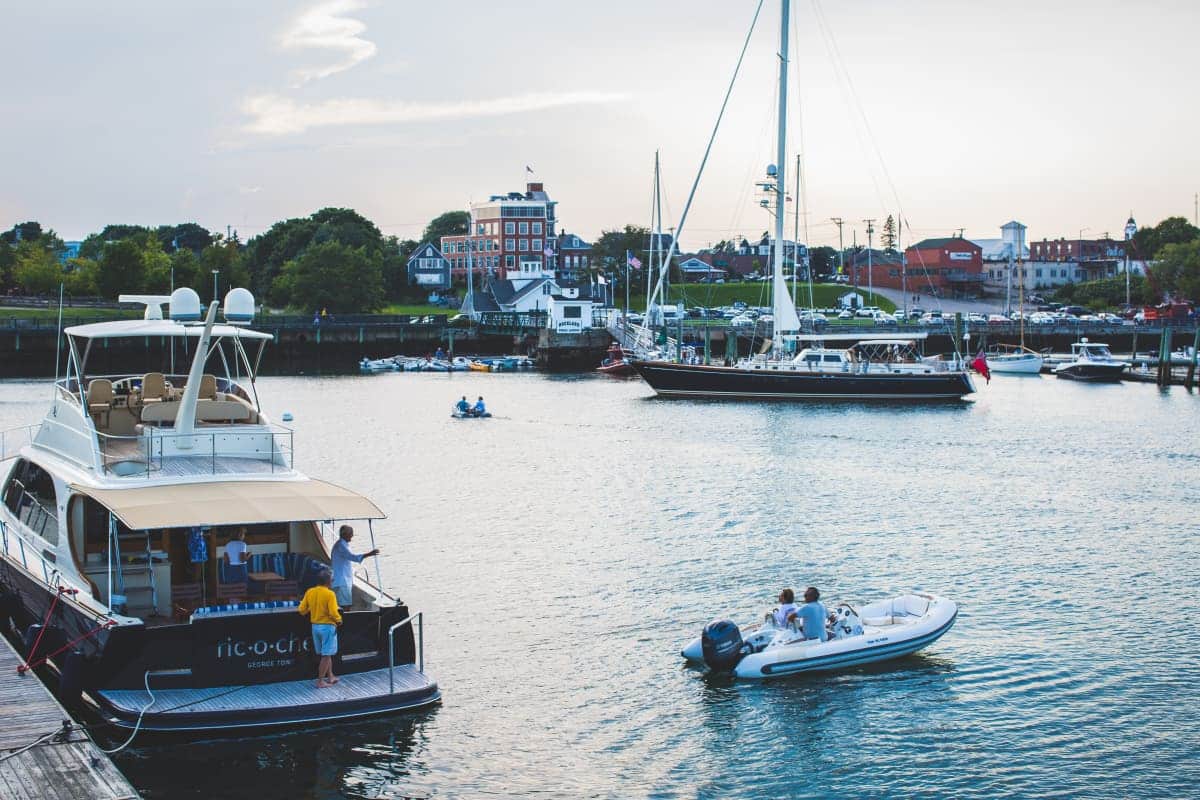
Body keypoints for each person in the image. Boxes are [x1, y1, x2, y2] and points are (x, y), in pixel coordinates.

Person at [298, 569, 341, 688]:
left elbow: (301, 610)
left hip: (315, 627)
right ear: (328, 582)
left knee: (327, 653)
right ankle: (320, 681)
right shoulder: (330, 594)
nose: (333, 581)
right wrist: (339, 620)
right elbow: (333, 612)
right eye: (332, 580)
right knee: (326, 655)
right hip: (327, 627)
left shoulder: (310, 591)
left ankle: (330, 676)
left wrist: (312, 609)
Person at [330, 524, 379, 609]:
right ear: (345, 534)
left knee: (343, 605)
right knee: (345, 606)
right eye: (351, 533)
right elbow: (353, 557)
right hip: (342, 581)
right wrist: (369, 554)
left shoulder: (341, 544)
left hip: (340, 580)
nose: (352, 535)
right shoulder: (341, 546)